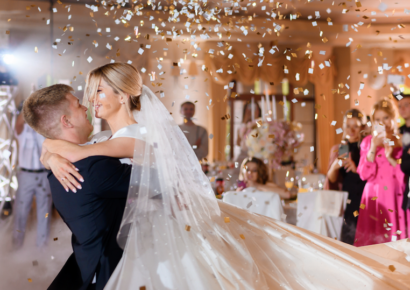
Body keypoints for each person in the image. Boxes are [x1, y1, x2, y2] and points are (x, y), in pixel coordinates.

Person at [41, 63, 410, 289]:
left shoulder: (138, 136)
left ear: (123, 97)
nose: (92, 100)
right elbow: (70, 148)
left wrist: (63, 151)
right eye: (90, 94)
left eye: (99, 91)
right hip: (140, 236)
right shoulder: (106, 138)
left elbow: (111, 153)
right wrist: (50, 153)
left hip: (164, 232)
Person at [22, 84, 136, 290]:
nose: (86, 107)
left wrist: (49, 154)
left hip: (89, 265)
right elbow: (158, 181)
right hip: (115, 273)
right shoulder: (93, 168)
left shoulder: (61, 164)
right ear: (65, 121)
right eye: (77, 105)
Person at [355, 99, 410, 246]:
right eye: (378, 119)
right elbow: (364, 174)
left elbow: (404, 176)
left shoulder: (402, 140)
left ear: (393, 117)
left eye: (386, 117)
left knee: (395, 245)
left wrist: (390, 156)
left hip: (395, 195)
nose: (383, 123)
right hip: (373, 196)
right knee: (372, 243)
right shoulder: (368, 141)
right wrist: (373, 147)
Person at [12, 96, 52, 249]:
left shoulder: (43, 128)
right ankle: (16, 246)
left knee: (44, 213)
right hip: (26, 175)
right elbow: (19, 125)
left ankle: (42, 250)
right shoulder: (22, 129)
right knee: (21, 212)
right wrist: (28, 106)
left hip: (44, 174)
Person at [325, 109, 367, 245]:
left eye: (355, 126)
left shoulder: (367, 147)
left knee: (365, 240)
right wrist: (335, 166)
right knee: (348, 241)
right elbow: (332, 181)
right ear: (343, 126)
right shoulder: (340, 148)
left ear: (362, 127)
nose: (351, 130)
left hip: (365, 197)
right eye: (348, 126)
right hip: (348, 202)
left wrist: (356, 169)